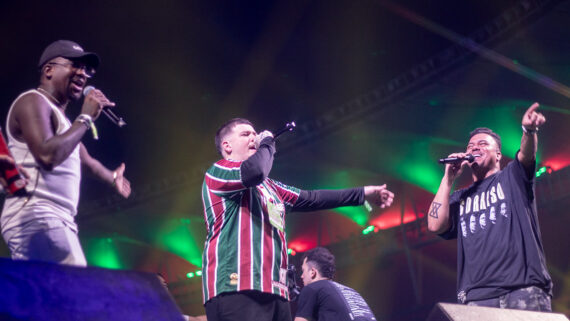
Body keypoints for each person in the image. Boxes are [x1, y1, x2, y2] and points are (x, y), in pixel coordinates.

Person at [201, 118, 394, 321]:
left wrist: (362, 194)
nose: (254, 137)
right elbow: (255, 171)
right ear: (227, 146)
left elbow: (312, 198)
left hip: (276, 290)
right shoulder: (218, 172)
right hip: (236, 286)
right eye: (245, 134)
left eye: (254, 133)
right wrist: (267, 142)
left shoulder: (270, 187)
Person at [1, 40, 131, 267]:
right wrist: (86, 118)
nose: (82, 73)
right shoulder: (32, 101)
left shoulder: (63, 123)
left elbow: (86, 162)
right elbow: (47, 156)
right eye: (75, 65)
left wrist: (112, 178)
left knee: (51, 299)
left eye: (86, 69)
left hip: (55, 218)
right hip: (36, 212)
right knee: (75, 293)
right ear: (49, 70)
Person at [427, 103, 552, 311]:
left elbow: (526, 154)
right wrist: (448, 179)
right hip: (477, 298)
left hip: (522, 289)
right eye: (470, 146)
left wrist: (529, 131)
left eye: (483, 144)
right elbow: (434, 225)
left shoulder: (512, 177)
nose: (475, 148)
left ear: (498, 155)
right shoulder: (460, 198)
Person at [294, 247, 376, 321]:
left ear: (312, 272)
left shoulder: (312, 288)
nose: (301, 276)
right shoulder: (352, 292)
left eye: (303, 270)